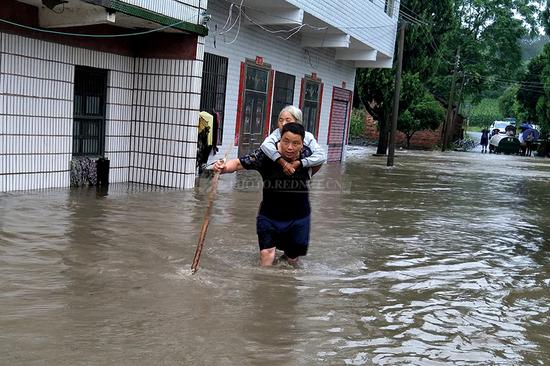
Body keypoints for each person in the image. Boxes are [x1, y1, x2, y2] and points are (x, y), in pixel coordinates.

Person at [213, 123, 318, 267]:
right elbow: (238, 164)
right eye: (286, 141)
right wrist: (223, 168)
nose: (290, 147)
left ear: (302, 144)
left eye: (295, 143)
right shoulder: (266, 154)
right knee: (266, 253)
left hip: (298, 217)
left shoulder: (309, 155)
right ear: (279, 139)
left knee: (292, 259)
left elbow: (320, 162)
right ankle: (263, 284)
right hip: (270, 215)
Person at [261, 105, 326, 175]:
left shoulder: (307, 136)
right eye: (280, 120)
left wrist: (301, 163)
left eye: (287, 120)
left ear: (297, 122)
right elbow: (265, 145)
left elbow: (321, 156)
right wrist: (283, 163)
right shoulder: (277, 133)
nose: (283, 124)